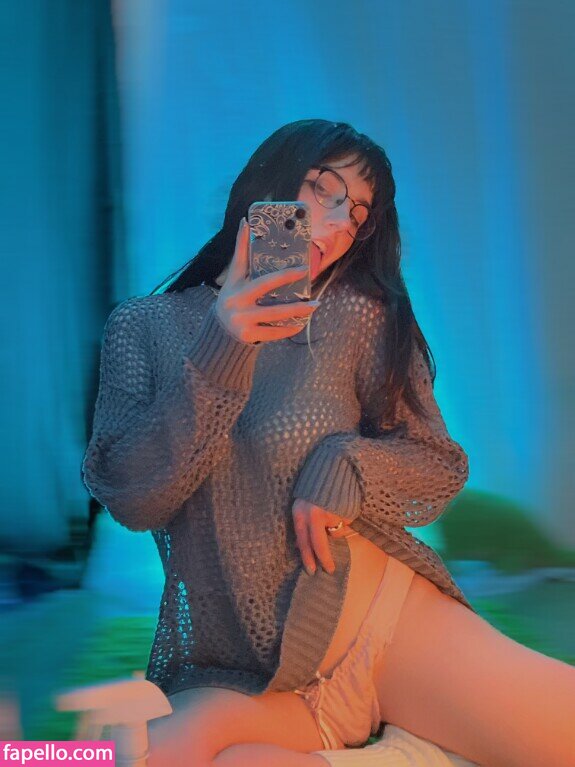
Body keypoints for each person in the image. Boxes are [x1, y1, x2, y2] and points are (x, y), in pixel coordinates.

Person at [82, 120, 575, 767]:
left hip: (385, 630)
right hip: (252, 680)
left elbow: (437, 464)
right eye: (323, 189)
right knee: (135, 758)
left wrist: (347, 464)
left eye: (358, 213)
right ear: (267, 184)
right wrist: (222, 348)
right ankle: (412, 755)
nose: (339, 223)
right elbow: (131, 496)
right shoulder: (143, 328)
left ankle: (414, 743)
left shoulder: (357, 316)